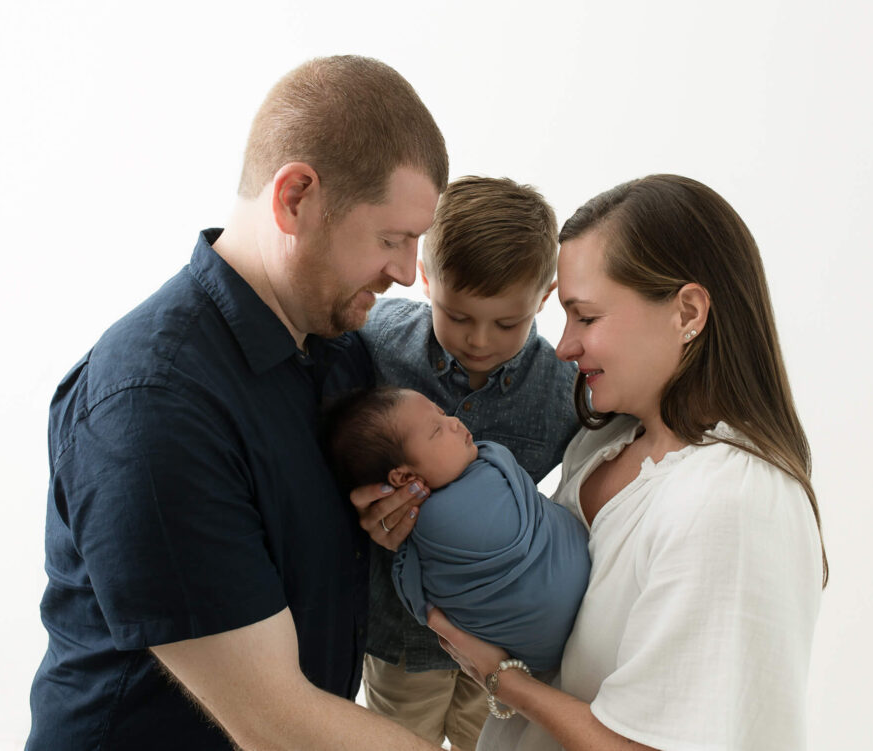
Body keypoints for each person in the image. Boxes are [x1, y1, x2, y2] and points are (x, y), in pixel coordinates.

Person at [26, 56, 451, 750]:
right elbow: (279, 725)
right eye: (392, 239)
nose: (408, 272)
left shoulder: (337, 348)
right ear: (295, 198)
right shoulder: (150, 410)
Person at [425, 174, 828, 751]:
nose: (563, 346)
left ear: (687, 311)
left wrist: (499, 677)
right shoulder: (603, 443)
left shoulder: (733, 502)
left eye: (585, 318)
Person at [353, 176, 580, 750]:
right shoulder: (372, 344)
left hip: (509, 644)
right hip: (400, 638)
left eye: (507, 323)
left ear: (545, 297)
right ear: (426, 279)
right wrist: (357, 503)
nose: (479, 340)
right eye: (456, 315)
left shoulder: (567, 392)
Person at [324, 386, 589, 671]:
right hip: (554, 628)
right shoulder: (439, 515)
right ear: (404, 476)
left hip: (531, 652)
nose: (454, 422)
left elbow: (414, 589)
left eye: (444, 414)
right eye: (437, 430)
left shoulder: (559, 384)